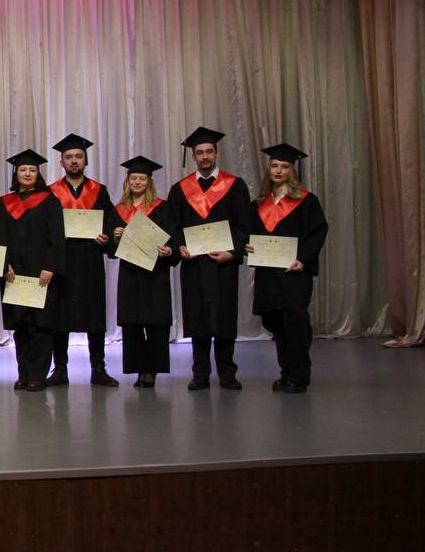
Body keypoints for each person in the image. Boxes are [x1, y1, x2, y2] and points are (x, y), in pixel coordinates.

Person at [166, 126, 253, 391]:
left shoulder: (235, 186)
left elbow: (244, 225)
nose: (205, 157)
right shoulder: (180, 190)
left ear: (217, 153)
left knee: (224, 318)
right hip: (194, 264)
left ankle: (227, 373)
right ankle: (200, 374)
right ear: (193, 156)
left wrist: (233, 252)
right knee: (198, 319)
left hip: (222, 263)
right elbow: (172, 226)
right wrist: (179, 247)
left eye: (209, 152)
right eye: (200, 152)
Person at [244, 143, 329, 394]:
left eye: (284, 166)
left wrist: (303, 259)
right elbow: (247, 233)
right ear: (269, 169)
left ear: (292, 170)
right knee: (275, 322)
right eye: (274, 166)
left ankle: (299, 375)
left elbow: (317, 233)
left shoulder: (306, 201)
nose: (278, 170)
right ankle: (286, 372)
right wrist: (246, 245)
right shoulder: (259, 203)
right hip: (268, 273)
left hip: (294, 273)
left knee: (295, 323)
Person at [47, 133, 120, 387]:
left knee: (94, 314)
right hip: (63, 261)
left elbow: (110, 223)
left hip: (90, 260)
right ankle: (60, 369)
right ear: (61, 162)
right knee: (60, 316)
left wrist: (106, 238)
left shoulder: (99, 191)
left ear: (86, 160)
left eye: (78, 156)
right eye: (69, 157)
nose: (74, 161)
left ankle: (98, 368)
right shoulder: (51, 192)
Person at [0, 150, 64, 392]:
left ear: (38, 174)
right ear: (16, 173)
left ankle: (38, 375)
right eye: (23, 170)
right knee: (21, 326)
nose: (27, 173)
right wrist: (4, 264)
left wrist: (50, 266)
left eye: (32, 170)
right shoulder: (4, 203)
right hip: (13, 273)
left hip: (40, 273)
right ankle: (23, 373)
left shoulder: (49, 201)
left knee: (40, 326)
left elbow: (57, 237)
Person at [109, 156, 178, 388]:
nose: (138, 182)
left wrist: (169, 250)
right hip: (130, 275)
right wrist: (115, 238)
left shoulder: (162, 208)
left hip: (155, 275)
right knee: (133, 324)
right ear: (127, 182)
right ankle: (139, 370)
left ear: (149, 182)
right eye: (134, 178)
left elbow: (174, 239)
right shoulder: (118, 210)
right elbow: (110, 250)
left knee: (156, 323)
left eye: (142, 178)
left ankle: (153, 371)